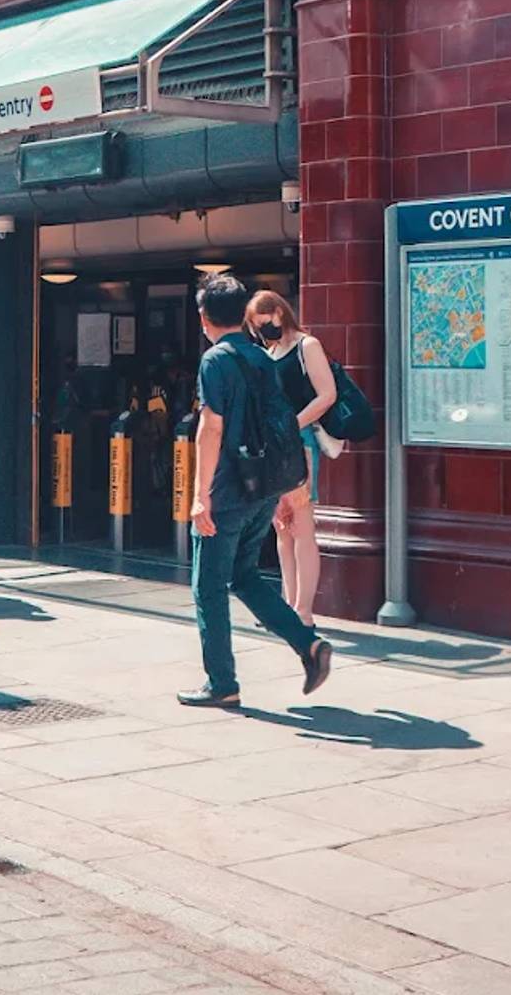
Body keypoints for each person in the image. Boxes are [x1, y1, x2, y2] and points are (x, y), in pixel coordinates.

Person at [181, 274, 332, 708]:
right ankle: (307, 644)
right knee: (243, 576)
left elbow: (211, 429)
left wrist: (199, 495)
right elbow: (279, 425)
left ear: (204, 317)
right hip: (262, 488)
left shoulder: (215, 360)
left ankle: (221, 683)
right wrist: (285, 489)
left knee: (207, 585)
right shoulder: (262, 358)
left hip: (227, 489)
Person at [248, 290, 339, 628]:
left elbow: (327, 394)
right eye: (257, 328)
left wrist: (292, 424)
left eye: (265, 323)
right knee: (282, 527)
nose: (263, 331)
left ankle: (303, 609)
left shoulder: (307, 346)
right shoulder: (271, 351)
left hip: (299, 442)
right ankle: (288, 604)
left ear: (280, 313)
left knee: (301, 526)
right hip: (275, 444)